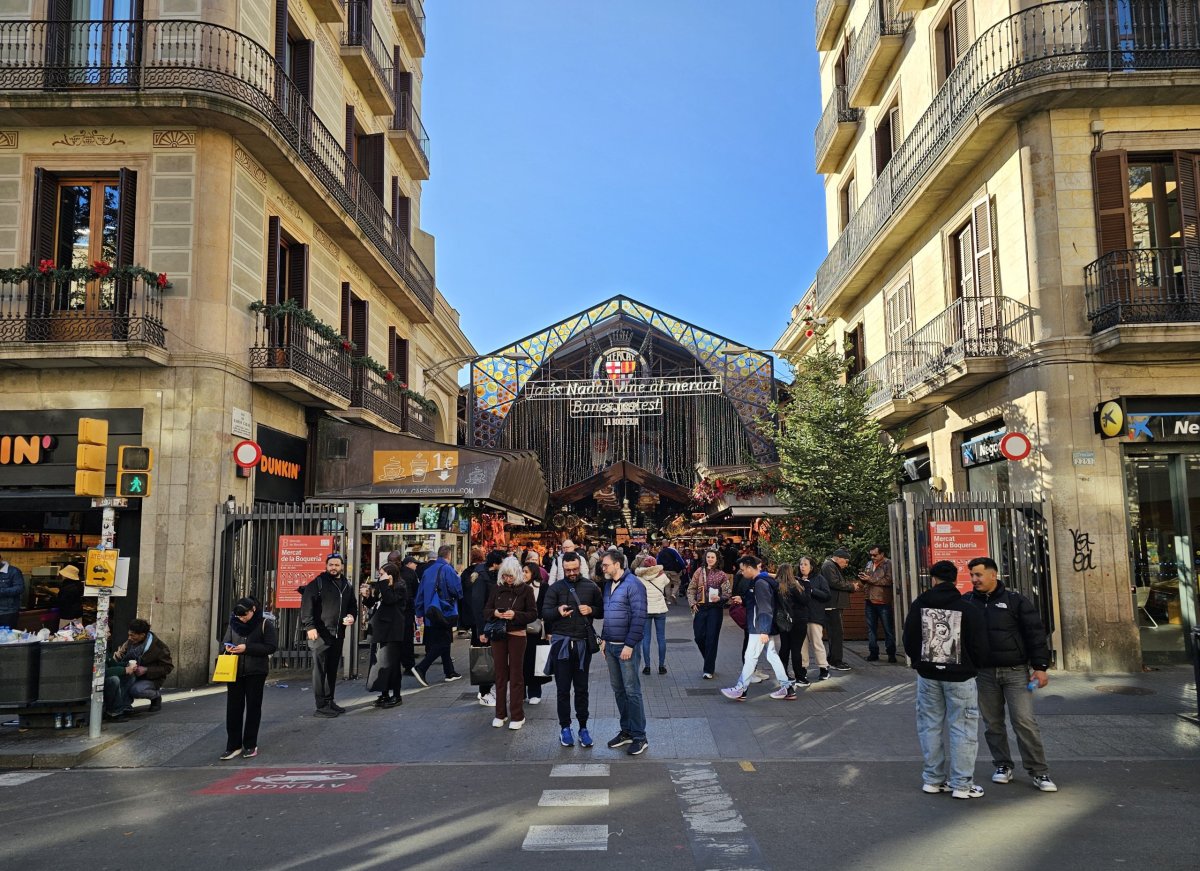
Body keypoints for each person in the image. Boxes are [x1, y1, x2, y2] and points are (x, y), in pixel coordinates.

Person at [965, 556, 1058, 793]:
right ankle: (1003, 765)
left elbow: (1035, 634)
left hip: (1016, 672)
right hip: (984, 674)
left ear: (993, 574)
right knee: (992, 723)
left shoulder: (1016, 601)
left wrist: (1040, 667)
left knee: (1024, 722)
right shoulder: (968, 602)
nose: (974, 579)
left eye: (978, 574)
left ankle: (1039, 771)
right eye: (972, 575)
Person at [903, 560, 990, 800]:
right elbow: (980, 645)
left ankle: (933, 780)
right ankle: (962, 784)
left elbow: (909, 639)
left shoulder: (919, 605)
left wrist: (920, 662)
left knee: (929, 726)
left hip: (928, 675)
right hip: (961, 677)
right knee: (962, 727)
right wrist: (973, 665)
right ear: (955, 580)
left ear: (933, 579)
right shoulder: (967, 608)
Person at [543, 551, 603, 748]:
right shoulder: (555, 588)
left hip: (582, 644)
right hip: (561, 644)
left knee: (582, 689)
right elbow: (545, 613)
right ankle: (565, 728)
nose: (571, 573)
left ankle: (583, 728)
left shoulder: (591, 586)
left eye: (575, 569)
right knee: (562, 690)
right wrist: (557, 611)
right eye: (568, 570)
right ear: (562, 569)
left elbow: (601, 611)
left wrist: (591, 610)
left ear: (580, 566)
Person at [598, 550, 649, 755]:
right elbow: (608, 614)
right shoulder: (608, 585)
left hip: (626, 647)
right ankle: (626, 731)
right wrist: (604, 639)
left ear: (618, 564)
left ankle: (640, 736)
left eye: (606, 564)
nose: (603, 568)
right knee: (619, 690)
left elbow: (639, 617)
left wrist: (629, 645)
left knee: (632, 691)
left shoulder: (634, 584)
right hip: (611, 646)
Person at [721, 556, 792, 702]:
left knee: (751, 657)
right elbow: (761, 604)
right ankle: (787, 688)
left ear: (749, 567)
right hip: (761, 626)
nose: (741, 573)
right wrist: (744, 600)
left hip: (758, 628)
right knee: (771, 656)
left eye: (742, 569)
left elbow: (765, 607)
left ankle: (741, 689)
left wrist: (764, 630)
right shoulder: (761, 581)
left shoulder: (759, 583)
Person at [481, 556, 537, 730]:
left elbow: (533, 614)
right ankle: (500, 713)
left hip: (517, 634)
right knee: (500, 674)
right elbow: (486, 610)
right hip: (498, 635)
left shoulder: (526, 590)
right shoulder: (496, 589)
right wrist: (495, 613)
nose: (508, 579)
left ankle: (517, 715)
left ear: (517, 574)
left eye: (510, 575)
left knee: (516, 674)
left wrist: (515, 615)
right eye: (505, 575)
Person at [299, 553, 356, 718]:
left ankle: (329, 701)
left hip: (338, 634)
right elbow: (306, 606)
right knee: (320, 670)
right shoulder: (317, 583)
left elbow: (352, 605)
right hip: (319, 634)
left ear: (342, 567)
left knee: (332, 669)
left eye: (337, 565)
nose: (333, 568)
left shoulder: (346, 584)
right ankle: (321, 706)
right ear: (326, 566)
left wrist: (352, 616)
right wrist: (310, 627)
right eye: (331, 564)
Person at [219, 597, 277, 759]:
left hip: (256, 671)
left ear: (253, 610)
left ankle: (250, 744)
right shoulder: (233, 623)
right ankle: (233, 745)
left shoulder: (264, 624)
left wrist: (247, 648)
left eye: (245, 615)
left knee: (253, 708)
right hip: (234, 671)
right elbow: (225, 642)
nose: (242, 619)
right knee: (233, 709)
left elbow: (271, 647)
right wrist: (228, 647)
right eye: (239, 616)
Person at [413, 545, 465, 687]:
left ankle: (450, 672)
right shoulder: (448, 569)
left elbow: (420, 593)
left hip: (430, 612)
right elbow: (457, 591)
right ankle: (421, 667)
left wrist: (419, 612)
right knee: (443, 642)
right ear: (449, 555)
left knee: (442, 640)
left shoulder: (428, 571)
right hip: (444, 611)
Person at [104, 618, 174, 720]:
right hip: (132, 674)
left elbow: (168, 667)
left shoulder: (159, 647)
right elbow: (118, 657)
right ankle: (124, 705)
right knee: (121, 678)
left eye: (132, 635)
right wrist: (121, 667)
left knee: (136, 689)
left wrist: (146, 670)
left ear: (142, 635)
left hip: (149, 678)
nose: (129, 637)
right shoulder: (129, 642)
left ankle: (155, 696)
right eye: (129, 634)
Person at [465, 549, 503, 706]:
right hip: (484, 625)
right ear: (495, 564)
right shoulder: (482, 578)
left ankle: (487, 690)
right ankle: (484, 692)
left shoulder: (488, 574)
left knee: (490, 657)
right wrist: (481, 630)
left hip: (489, 623)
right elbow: (478, 604)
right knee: (485, 658)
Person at [368, 562, 409, 708]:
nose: (380, 577)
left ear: (390, 574)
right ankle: (384, 693)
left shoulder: (400, 587)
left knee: (392, 663)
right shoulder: (383, 585)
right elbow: (375, 603)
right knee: (380, 663)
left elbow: (390, 600)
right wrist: (367, 596)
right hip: (380, 629)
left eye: (382, 574)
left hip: (393, 630)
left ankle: (396, 695)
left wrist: (384, 584)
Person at [687, 548, 730, 679]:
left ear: (717, 559)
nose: (710, 559)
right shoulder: (699, 571)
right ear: (705, 558)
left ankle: (708, 669)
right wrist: (693, 603)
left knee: (712, 638)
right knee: (699, 637)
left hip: (715, 609)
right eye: (708, 557)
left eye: (712, 557)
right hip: (700, 607)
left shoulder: (722, 575)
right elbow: (691, 588)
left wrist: (720, 598)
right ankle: (709, 658)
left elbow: (727, 592)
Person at [774, 563, 809, 698]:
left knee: (784, 647)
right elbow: (805, 600)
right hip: (798, 620)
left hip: (783, 620)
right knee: (796, 649)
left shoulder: (777, 586)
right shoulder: (795, 586)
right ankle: (800, 676)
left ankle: (783, 674)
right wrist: (807, 586)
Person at [795, 556, 832, 683]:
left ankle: (824, 668)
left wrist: (811, 590)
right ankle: (802, 669)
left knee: (817, 643)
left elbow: (827, 595)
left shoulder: (819, 578)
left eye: (805, 564)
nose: (802, 567)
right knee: (801, 645)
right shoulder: (797, 580)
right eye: (801, 564)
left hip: (815, 616)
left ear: (811, 567)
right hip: (800, 617)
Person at [820, 548, 857, 671]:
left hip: (834, 605)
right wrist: (851, 586)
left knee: (836, 633)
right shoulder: (828, 566)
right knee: (836, 633)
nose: (846, 564)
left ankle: (833, 659)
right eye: (846, 561)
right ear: (839, 558)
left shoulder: (830, 566)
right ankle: (836, 661)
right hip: (832, 605)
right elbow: (834, 583)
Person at [858, 544, 897, 662]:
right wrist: (863, 579)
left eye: (875, 555)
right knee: (871, 629)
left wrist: (870, 579)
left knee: (888, 629)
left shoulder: (888, 564)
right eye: (871, 555)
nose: (872, 557)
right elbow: (867, 579)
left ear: (882, 554)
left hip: (882, 600)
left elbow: (888, 580)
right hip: (869, 599)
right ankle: (873, 652)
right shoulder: (869, 564)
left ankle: (891, 653)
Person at [521, 557, 551, 706]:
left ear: (533, 573)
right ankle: (520, 692)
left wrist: (549, 630)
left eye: (526, 571)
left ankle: (535, 692)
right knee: (520, 661)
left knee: (535, 660)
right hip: (520, 629)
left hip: (538, 631)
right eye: (522, 571)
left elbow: (547, 609)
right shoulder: (518, 587)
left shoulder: (543, 587)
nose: (523, 574)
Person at [635, 556, 669, 676]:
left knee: (646, 638)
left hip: (646, 610)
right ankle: (661, 666)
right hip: (660, 610)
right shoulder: (662, 576)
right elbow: (667, 583)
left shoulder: (639, 578)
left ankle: (647, 667)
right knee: (661, 638)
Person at [0, 552, 25, 629]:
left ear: (0, 559)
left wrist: (1, 591)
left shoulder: (14, 571)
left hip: (8, 612)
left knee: (7, 635)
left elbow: (20, 588)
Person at [656, 540, 686, 604]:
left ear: (662, 544)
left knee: (667, 585)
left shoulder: (660, 553)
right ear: (668, 543)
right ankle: (673, 593)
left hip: (664, 571)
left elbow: (657, 562)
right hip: (673, 570)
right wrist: (683, 567)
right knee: (677, 583)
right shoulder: (673, 551)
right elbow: (679, 559)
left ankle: (668, 600)